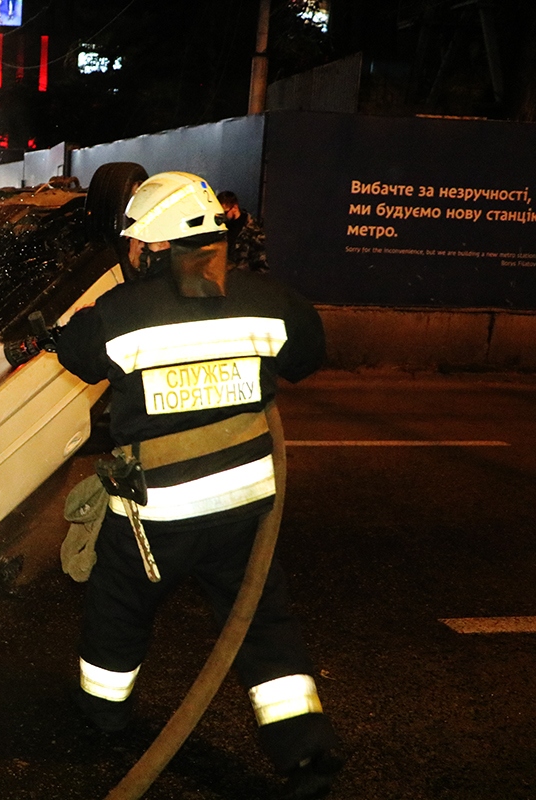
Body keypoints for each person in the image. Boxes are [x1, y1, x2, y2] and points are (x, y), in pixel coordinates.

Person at [55, 172, 342, 799]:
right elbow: (307, 354)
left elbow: (76, 352)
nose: (132, 255)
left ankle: (103, 715)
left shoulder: (121, 314)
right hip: (245, 512)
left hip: (155, 519)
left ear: (154, 247)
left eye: (136, 245)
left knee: (118, 609)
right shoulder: (272, 301)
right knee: (262, 626)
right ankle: (304, 755)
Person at [216, 190, 269, 273]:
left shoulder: (253, 231)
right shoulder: (220, 228)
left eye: (225, 213)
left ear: (235, 207)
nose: (223, 217)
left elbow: (261, 266)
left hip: (242, 281)